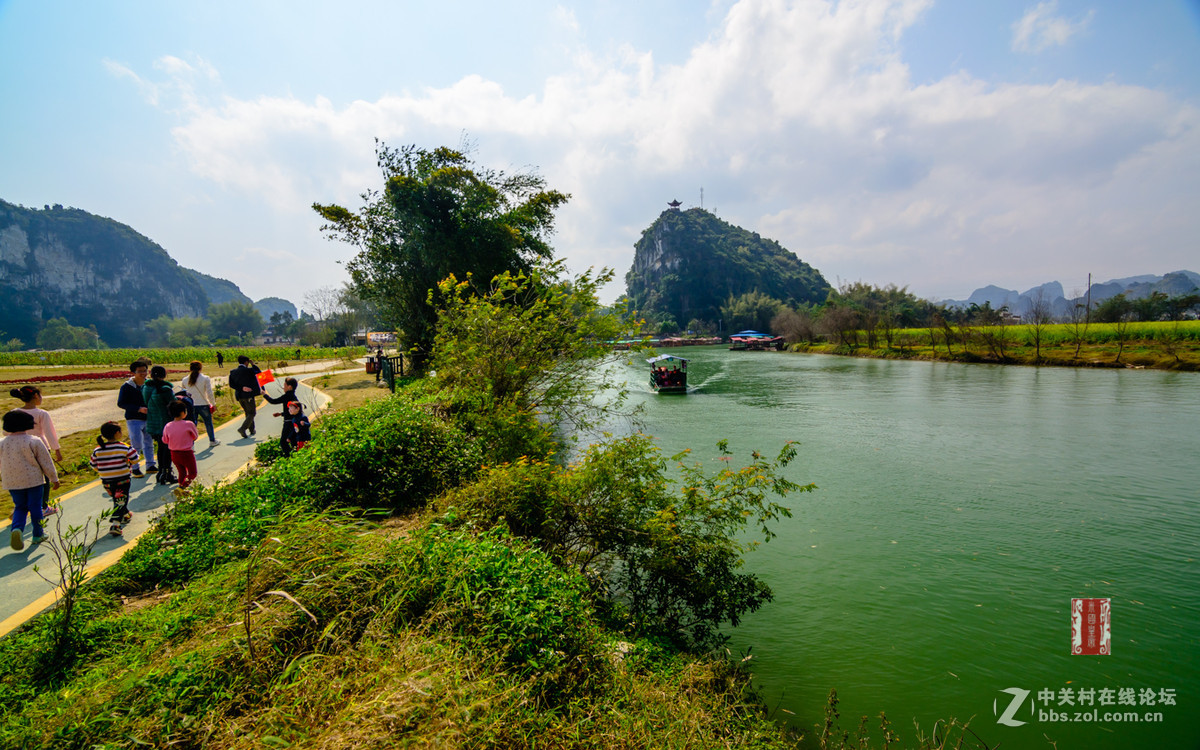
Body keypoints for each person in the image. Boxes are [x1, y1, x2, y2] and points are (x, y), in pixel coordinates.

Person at [2, 409, 59, 551]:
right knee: (35, 507)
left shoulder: (2, 443)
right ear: (28, 424)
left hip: (12, 482)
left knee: (20, 506)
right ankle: (38, 534)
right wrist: (54, 478)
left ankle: (17, 529)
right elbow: (46, 462)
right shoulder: (34, 441)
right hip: (33, 480)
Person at [10, 385, 62, 516]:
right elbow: (49, 433)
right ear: (35, 396)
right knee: (43, 477)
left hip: (19, 446)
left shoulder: (14, 412)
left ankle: (22, 505)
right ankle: (43, 506)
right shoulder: (41, 413)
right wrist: (57, 449)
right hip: (39, 446)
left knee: (25, 475)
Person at [89, 421, 138, 537]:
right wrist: (127, 461)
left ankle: (125, 514)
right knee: (120, 500)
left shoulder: (98, 450)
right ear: (117, 433)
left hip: (106, 481)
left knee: (118, 499)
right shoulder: (123, 447)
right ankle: (115, 524)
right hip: (122, 479)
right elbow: (135, 458)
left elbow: (93, 466)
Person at [142, 365, 178, 485]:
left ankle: (161, 472)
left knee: (160, 448)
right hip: (165, 422)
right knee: (167, 449)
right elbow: (174, 405)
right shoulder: (165, 389)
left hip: (152, 422)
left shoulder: (146, 388)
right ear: (164, 375)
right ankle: (167, 472)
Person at [117, 360, 152, 478]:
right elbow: (121, 403)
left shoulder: (149, 384)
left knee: (149, 442)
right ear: (133, 372)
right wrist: (138, 409)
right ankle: (135, 468)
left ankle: (150, 465)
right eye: (140, 371)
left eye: (145, 371)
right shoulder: (127, 387)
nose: (143, 373)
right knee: (136, 444)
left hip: (148, 418)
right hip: (134, 419)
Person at [162, 401, 199, 489]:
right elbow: (195, 436)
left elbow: (165, 440)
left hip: (174, 454)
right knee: (192, 473)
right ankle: (182, 487)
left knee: (182, 472)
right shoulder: (188, 424)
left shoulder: (168, 426)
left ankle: (181, 488)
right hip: (186, 453)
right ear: (183, 413)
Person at [180, 361, 218, 446]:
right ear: (200, 368)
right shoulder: (205, 378)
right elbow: (209, 392)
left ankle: (191, 444)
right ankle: (212, 440)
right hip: (203, 404)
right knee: (208, 423)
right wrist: (213, 403)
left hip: (190, 405)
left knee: (192, 425)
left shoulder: (185, 380)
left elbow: (183, 393)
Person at [263, 377, 300, 456]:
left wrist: (264, 394)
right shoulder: (293, 396)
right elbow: (291, 411)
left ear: (289, 387)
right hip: (293, 421)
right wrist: (281, 414)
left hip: (288, 423)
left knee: (283, 442)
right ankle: (296, 456)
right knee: (293, 441)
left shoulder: (287, 396)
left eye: (285, 385)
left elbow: (273, 401)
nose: (283, 387)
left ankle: (289, 457)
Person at [228, 355, 263, 439]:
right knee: (252, 413)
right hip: (248, 395)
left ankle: (252, 429)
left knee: (248, 412)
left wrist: (241, 388)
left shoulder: (233, 372)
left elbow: (231, 384)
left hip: (239, 395)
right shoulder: (249, 371)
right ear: (246, 362)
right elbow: (259, 372)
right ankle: (242, 428)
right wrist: (253, 364)